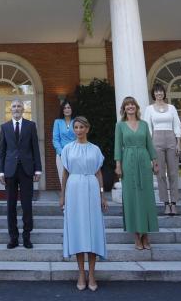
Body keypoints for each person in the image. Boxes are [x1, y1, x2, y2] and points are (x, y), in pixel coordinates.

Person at [59, 116, 108, 292]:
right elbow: (65, 174)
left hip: (92, 189)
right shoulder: (67, 149)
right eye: (76, 127)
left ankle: (92, 274)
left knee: (92, 230)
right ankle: (81, 273)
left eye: (81, 127)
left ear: (87, 129)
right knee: (78, 230)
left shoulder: (95, 149)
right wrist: (62, 196)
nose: (78, 130)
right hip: (73, 190)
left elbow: (99, 173)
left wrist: (102, 196)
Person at [114, 96, 159, 250]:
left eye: (133, 104)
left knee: (146, 197)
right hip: (128, 161)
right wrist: (118, 165)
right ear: (124, 108)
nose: (130, 107)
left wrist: (154, 160)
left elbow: (149, 143)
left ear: (136, 107)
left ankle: (146, 234)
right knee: (131, 197)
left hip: (144, 161)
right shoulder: (120, 126)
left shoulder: (144, 124)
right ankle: (136, 236)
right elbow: (117, 146)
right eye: (127, 105)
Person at [0, 99, 42, 249]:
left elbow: (35, 148)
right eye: (14, 107)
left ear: (23, 109)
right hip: (10, 170)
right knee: (10, 205)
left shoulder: (31, 126)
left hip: (26, 170)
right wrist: (0, 171)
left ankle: (27, 237)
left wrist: (38, 169)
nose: (16, 109)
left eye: (19, 106)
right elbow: (2, 150)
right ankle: (13, 237)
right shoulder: (4, 127)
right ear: (11, 110)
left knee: (27, 204)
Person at [143, 84, 181, 216]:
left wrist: (178, 144)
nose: (159, 93)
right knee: (160, 174)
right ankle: (166, 203)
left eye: (161, 91)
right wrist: (149, 147)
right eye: (156, 91)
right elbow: (147, 128)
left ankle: (174, 203)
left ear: (164, 93)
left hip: (171, 138)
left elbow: (177, 124)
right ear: (153, 94)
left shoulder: (171, 108)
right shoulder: (149, 109)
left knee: (173, 173)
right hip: (156, 140)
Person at [52, 99, 76, 183]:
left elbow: (79, 137)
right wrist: (61, 153)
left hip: (75, 153)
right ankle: (64, 196)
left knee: (74, 178)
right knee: (63, 179)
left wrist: (76, 151)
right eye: (65, 108)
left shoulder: (76, 121)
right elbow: (55, 139)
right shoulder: (57, 122)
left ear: (72, 109)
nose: (67, 110)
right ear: (62, 110)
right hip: (61, 154)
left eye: (68, 107)